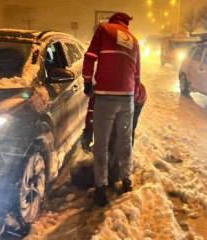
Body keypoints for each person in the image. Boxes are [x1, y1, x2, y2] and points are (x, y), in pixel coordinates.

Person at [82, 12, 141, 207]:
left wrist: (88, 80)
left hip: (106, 95)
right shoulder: (134, 40)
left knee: (101, 142)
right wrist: (132, 91)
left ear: (113, 20)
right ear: (126, 24)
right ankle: (126, 180)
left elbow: (90, 56)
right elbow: (138, 75)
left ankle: (101, 187)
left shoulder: (104, 29)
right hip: (127, 97)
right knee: (125, 141)